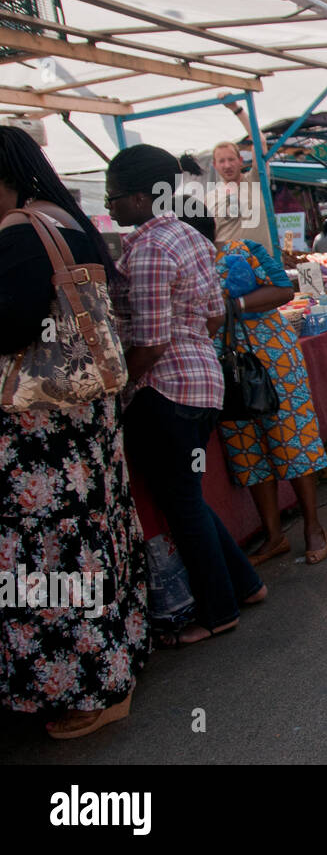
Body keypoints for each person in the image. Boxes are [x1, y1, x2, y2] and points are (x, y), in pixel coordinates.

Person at [0, 126, 150, 739]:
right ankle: (120, 659)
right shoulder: (65, 219)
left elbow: (10, 326)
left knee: (50, 556)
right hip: (85, 414)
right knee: (98, 532)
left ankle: (87, 690)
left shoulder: (18, 231)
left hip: (40, 425)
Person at [107, 145, 266, 648]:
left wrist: (118, 389)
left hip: (166, 389)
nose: (109, 208)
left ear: (138, 197)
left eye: (113, 198)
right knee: (189, 498)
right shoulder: (189, 236)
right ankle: (246, 584)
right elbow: (216, 314)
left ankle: (218, 613)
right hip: (200, 386)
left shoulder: (150, 248)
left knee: (182, 504)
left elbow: (151, 343)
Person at [186, 221, 327, 566]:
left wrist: (232, 305)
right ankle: (274, 535)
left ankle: (313, 527)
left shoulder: (243, 250)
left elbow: (283, 291)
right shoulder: (181, 267)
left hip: (271, 357)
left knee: (290, 437)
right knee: (245, 445)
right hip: (222, 364)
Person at [205, 99, 276, 256]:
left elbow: (260, 142)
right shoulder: (209, 198)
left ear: (240, 161)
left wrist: (236, 109)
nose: (227, 165)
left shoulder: (256, 180)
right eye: (222, 161)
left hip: (262, 267)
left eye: (231, 159)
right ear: (215, 165)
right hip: (229, 271)